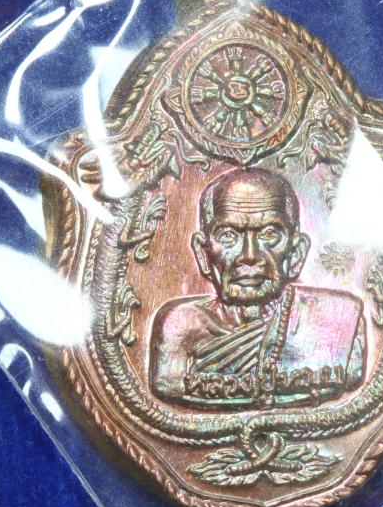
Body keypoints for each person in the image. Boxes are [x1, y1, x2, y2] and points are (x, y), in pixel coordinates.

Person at [149, 167, 366, 408]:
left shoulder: (339, 320)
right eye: (228, 235)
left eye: (269, 234)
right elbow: (168, 387)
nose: (249, 255)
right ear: (203, 253)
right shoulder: (180, 326)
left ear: (296, 253)